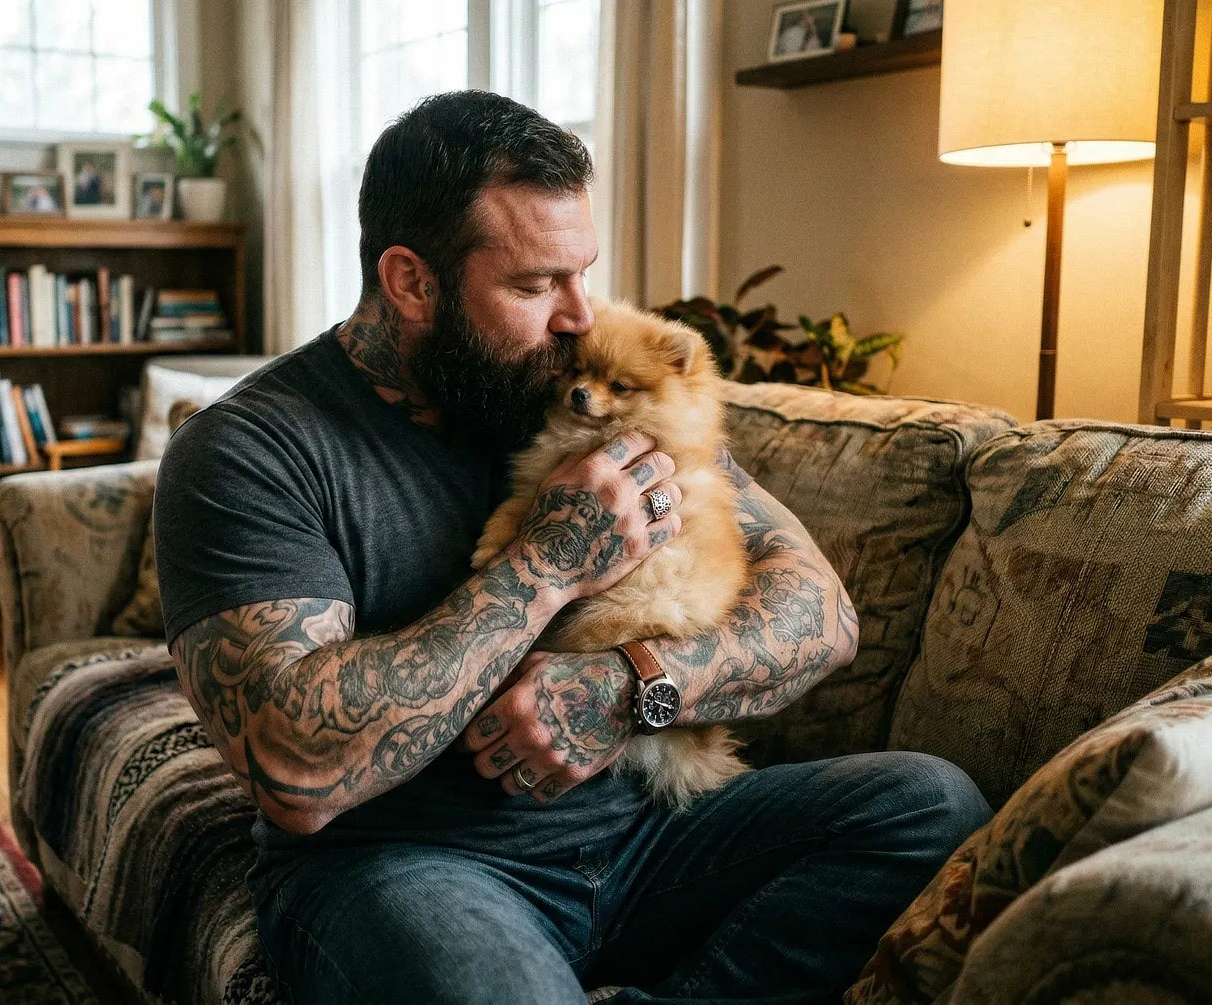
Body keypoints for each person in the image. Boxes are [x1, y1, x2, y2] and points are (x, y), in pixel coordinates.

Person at [153, 90, 989, 1004]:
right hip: (415, 864)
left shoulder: (579, 392)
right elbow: (295, 767)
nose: (577, 316)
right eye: (533, 284)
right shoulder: (248, 451)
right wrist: (545, 565)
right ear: (411, 281)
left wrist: (627, 684)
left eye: (581, 273)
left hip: (654, 833)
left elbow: (823, 616)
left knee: (930, 805)